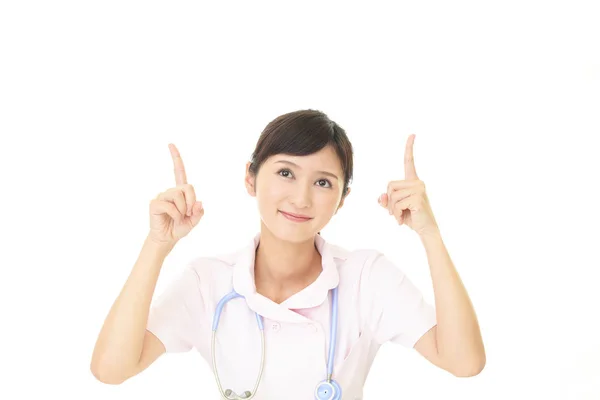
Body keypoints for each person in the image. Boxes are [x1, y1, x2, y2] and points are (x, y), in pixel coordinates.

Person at [90, 109, 485, 399]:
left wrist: (429, 234)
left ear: (342, 199)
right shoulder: (207, 282)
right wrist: (156, 246)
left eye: (324, 182)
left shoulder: (367, 277)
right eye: (285, 172)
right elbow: (111, 369)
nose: (301, 197)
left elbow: (464, 362)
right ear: (250, 177)